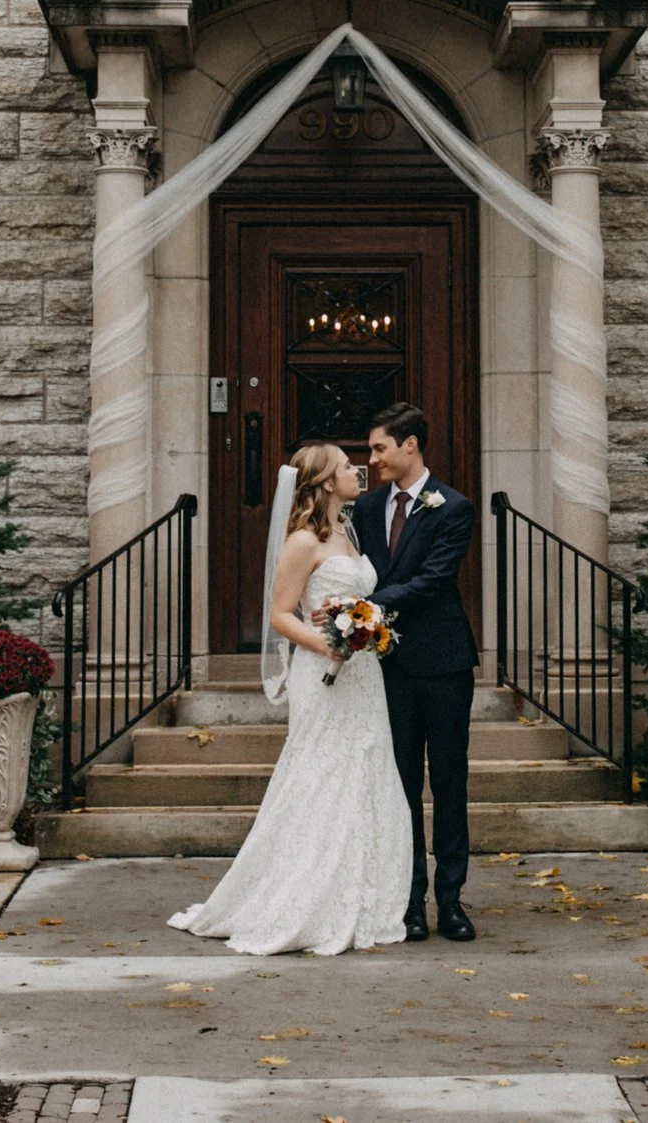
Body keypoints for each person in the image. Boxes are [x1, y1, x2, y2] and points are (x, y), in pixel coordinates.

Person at [167, 440, 412, 955]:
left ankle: (360, 898)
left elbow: (358, 597)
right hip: (323, 672)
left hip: (363, 675)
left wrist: (366, 624)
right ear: (326, 482)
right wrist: (330, 643)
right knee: (321, 778)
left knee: (365, 775)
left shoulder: (346, 528)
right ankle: (304, 900)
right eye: (348, 466)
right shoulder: (302, 541)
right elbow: (280, 615)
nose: (358, 470)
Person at [351, 402, 479, 944]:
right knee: (399, 785)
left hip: (444, 662)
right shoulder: (366, 507)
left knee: (449, 782)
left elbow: (431, 580)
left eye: (380, 447)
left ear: (410, 446)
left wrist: (366, 606)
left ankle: (450, 900)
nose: (372, 458)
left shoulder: (453, 507)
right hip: (388, 666)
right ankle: (409, 902)